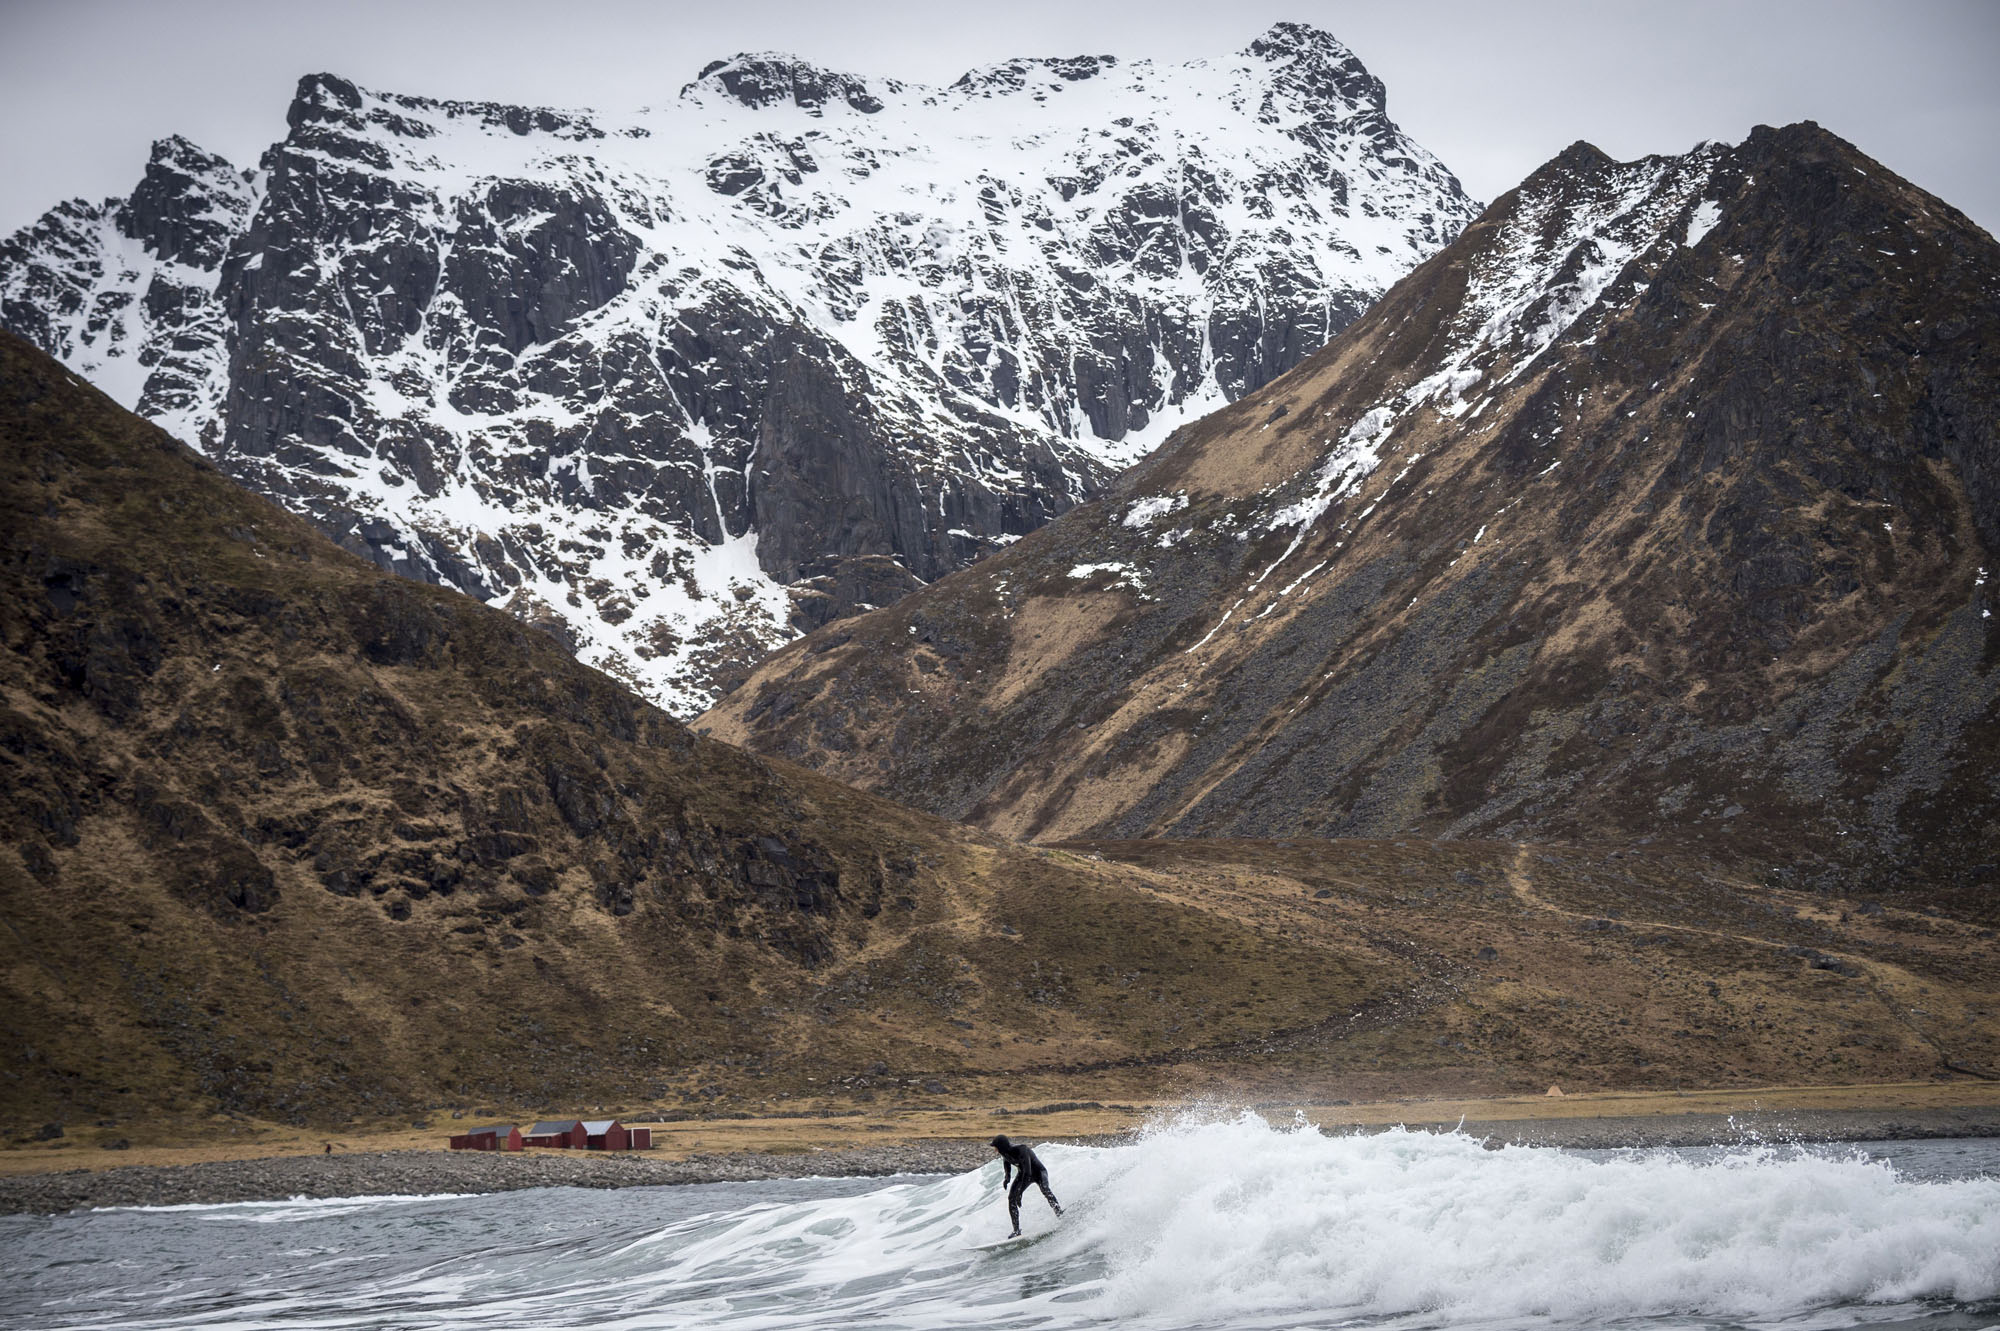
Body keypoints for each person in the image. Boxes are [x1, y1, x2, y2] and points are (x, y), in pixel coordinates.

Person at [989, 1134, 1062, 1236]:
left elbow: (1028, 1172)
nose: (995, 1150)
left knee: (1045, 1190)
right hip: (1023, 1173)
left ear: (1001, 1146)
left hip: (1038, 1172)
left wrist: (1020, 1192)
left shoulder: (1021, 1149)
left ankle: (1060, 1215)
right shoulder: (1004, 1152)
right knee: (1011, 1199)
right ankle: (1016, 1230)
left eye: (995, 1147)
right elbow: (1006, 1162)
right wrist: (1007, 1177)